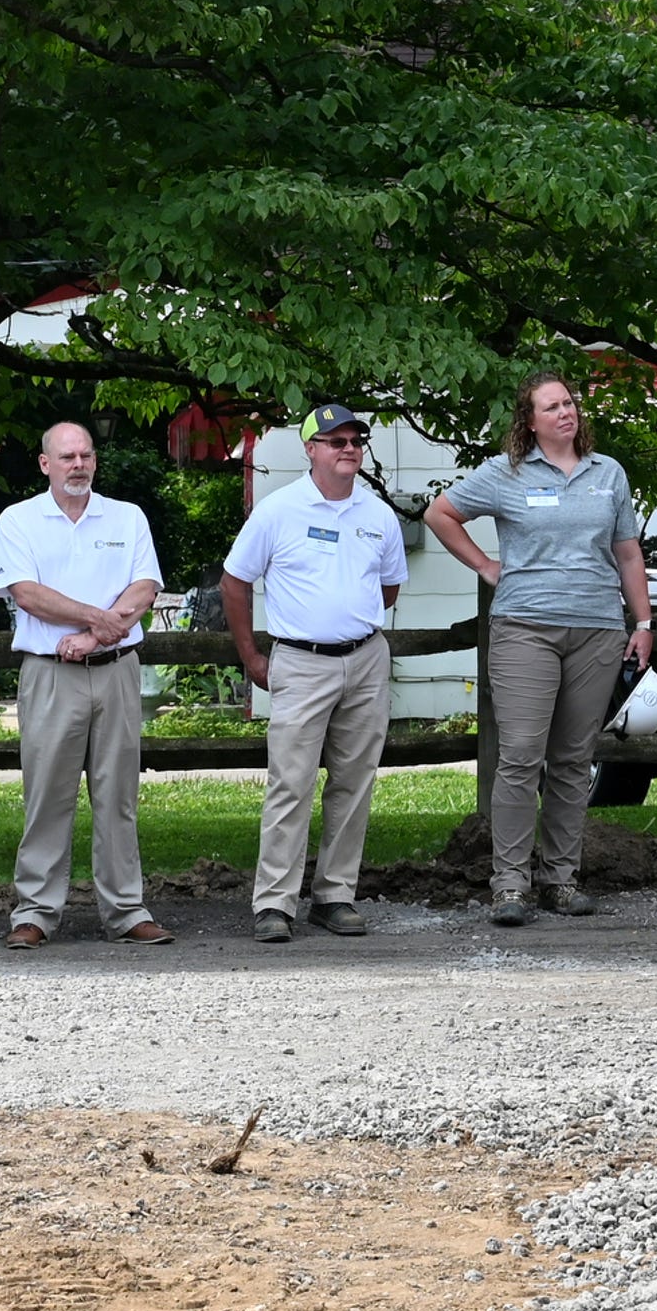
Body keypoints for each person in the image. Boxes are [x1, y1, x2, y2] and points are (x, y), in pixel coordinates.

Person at [428, 372, 654, 926]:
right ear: (529, 421)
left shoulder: (609, 474)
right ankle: (509, 885)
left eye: (570, 403)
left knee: (575, 760)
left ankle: (560, 879)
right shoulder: (505, 473)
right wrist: (485, 565)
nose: (566, 412)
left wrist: (643, 621)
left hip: (598, 629)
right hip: (525, 628)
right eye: (552, 406)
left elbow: (627, 554)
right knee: (522, 755)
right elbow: (440, 513)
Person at [222, 404, 409, 944]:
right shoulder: (279, 511)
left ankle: (334, 895)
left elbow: (389, 587)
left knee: (354, 782)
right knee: (291, 783)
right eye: (334, 441)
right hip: (300, 661)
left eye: (354, 440)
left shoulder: (377, 515)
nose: (347, 448)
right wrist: (252, 656)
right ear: (311, 450)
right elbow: (235, 582)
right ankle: (274, 903)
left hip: (366, 658)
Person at [0, 422, 172, 949]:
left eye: (86, 455)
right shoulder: (19, 520)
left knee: (119, 795)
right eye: (67, 456)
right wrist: (98, 619)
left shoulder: (127, 516)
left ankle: (126, 910)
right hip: (50, 675)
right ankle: (35, 912)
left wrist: (95, 637)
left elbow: (145, 587)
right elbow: (26, 593)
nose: (79, 464)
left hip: (116, 670)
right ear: (45, 463)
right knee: (47, 794)